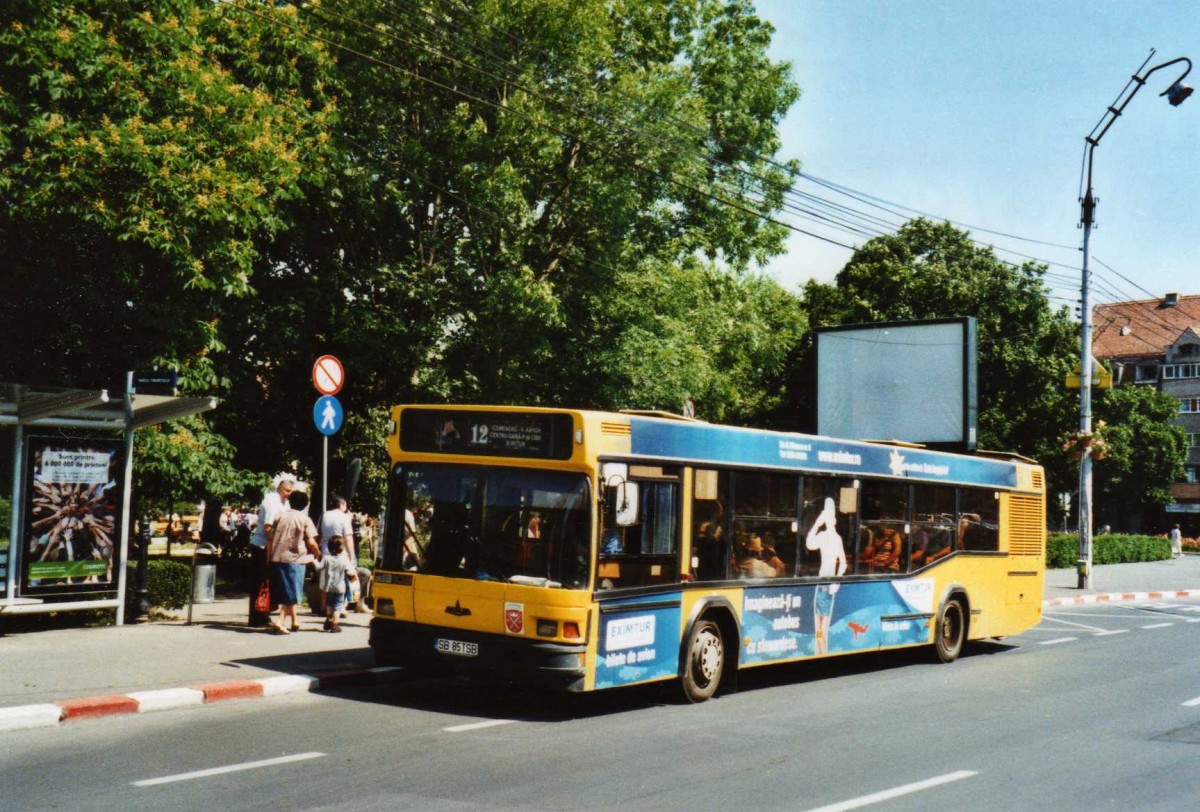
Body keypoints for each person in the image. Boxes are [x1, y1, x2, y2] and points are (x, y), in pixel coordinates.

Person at [266, 489, 320, 634]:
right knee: (292, 592)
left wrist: (269, 557)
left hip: (277, 557)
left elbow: (269, 538)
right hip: (295, 559)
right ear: (305, 504)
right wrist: (317, 553)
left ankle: (295, 621)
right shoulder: (305, 519)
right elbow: (311, 541)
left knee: (287, 590)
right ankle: (280, 621)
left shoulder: (279, 516)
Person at [247, 475, 295, 625]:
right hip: (262, 546)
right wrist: (272, 548)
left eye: (291, 491)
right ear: (279, 488)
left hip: (270, 546)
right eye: (287, 490)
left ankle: (263, 613)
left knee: (267, 581)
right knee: (260, 582)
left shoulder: (284, 502)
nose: (289, 494)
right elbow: (268, 528)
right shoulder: (272, 502)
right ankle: (256, 616)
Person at [806, 497, 847, 655]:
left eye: (829, 517)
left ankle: (823, 656)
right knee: (818, 632)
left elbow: (843, 563)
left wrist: (837, 581)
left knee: (823, 632)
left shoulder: (837, 539)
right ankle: (818, 656)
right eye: (825, 518)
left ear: (834, 520)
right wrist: (816, 524)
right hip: (821, 585)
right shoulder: (822, 536)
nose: (828, 521)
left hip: (830, 587)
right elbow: (809, 544)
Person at [317, 495, 356, 614]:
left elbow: (319, 534)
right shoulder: (344, 517)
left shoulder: (324, 515)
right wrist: (351, 556)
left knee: (326, 581)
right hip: (340, 552)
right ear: (342, 504)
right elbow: (348, 538)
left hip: (326, 552)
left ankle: (323, 607)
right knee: (340, 580)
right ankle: (340, 607)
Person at [313, 535, 356, 632]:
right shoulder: (344, 559)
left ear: (329, 547)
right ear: (342, 548)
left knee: (329, 603)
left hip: (329, 587)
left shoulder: (326, 558)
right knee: (338, 606)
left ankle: (329, 618)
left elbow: (318, 568)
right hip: (340, 587)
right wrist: (354, 579)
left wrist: (314, 560)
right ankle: (334, 624)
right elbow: (350, 571)